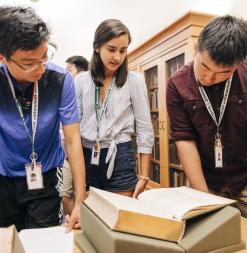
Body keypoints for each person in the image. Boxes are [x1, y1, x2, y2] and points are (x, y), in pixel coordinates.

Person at [0, 6, 87, 231]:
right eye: (29, 63)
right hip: (4, 178)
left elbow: (72, 140)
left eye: (44, 57)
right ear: (3, 58)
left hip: (46, 176)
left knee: (44, 241)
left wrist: (79, 200)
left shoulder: (60, 80)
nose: (40, 68)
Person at [167, 15, 247, 217]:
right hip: (205, 179)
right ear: (196, 47)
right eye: (205, 66)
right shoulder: (177, 84)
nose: (210, 78)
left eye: (224, 73)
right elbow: (185, 140)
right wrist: (203, 200)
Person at [76, 19, 154, 199]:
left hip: (119, 153)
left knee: (120, 215)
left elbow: (144, 128)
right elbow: (74, 128)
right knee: (91, 215)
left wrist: (143, 174)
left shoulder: (134, 80)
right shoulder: (80, 81)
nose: (117, 57)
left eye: (123, 50)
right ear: (97, 47)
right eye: (111, 49)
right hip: (86, 154)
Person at [62, 55, 89, 215]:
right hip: (65, 154)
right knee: (65, 196)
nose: (66, 75)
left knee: (86, 195)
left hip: (85, 151)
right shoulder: (65, 90)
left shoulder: (86, 88)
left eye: (69, 70)